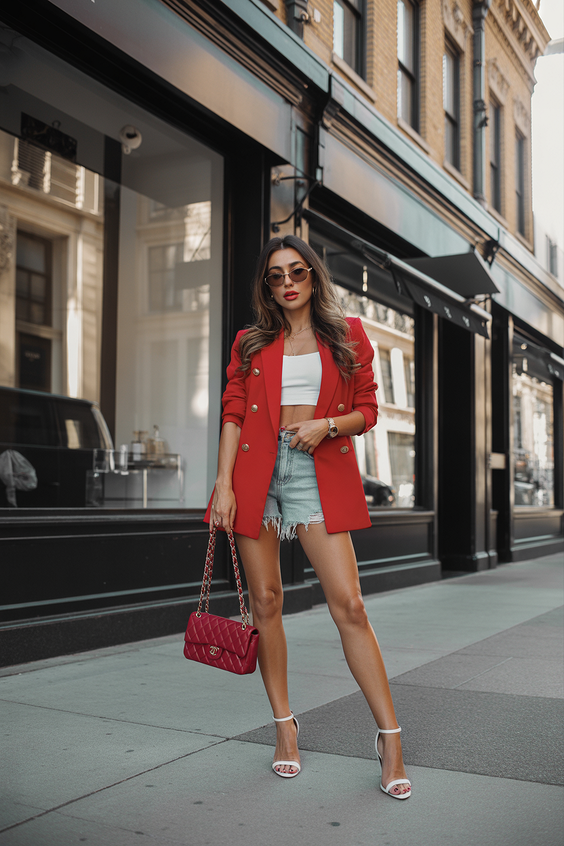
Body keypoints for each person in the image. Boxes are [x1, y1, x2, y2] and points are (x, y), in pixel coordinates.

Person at [206, 235, 411, 799]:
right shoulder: (251, 343)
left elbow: (368, 408)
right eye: (276, 275)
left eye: (297, 271)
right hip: (255, 475)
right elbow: (232, 413)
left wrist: (328, 426)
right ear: (267, 286)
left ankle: (390, 738)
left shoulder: (348, 335)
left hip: (314, 471)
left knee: (349, 604)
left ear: (314, 277)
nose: (288, 282)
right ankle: (284, 729)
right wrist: (223, 484)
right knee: (266, 602)